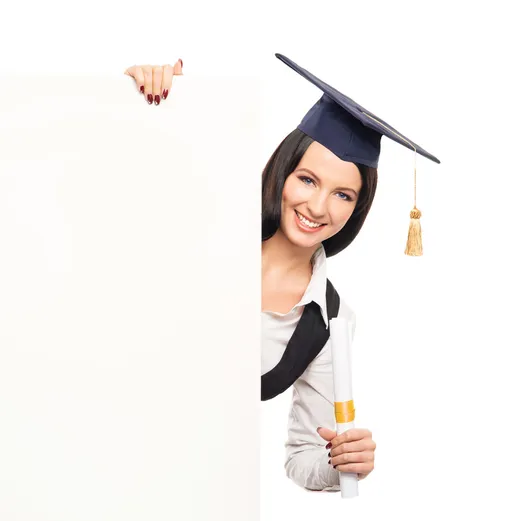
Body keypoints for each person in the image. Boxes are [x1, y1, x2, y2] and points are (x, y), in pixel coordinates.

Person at [124, 54, 440, 492]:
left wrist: (341, 462)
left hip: (190, 489)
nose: (318, 207)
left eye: (343, 195)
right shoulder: (205, 229)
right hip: (99, 430)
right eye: (308, 180)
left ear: (357, 208)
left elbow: (304, 456)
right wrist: (138, 97)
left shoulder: (330, 322)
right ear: (284, 170)